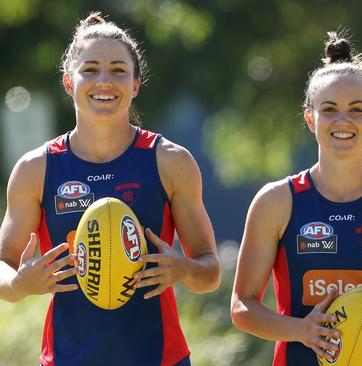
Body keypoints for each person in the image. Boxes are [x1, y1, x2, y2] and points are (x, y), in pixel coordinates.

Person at [0, 12, 221, 366]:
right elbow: (3, 263)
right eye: (90, 69)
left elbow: (209, 269)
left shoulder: (169, 161)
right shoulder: (35, 168)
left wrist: (184, 269)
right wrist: (18, 285)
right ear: (69, 82)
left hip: (160, 358)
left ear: (135, 84)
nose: (104, 81)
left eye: (118, 70)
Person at [230, 32, 362, 366]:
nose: (342, 121)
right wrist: (302, 330)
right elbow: (243, 306)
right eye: (329, 109)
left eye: (356, 110)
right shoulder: (276, 201)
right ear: (310, 118)